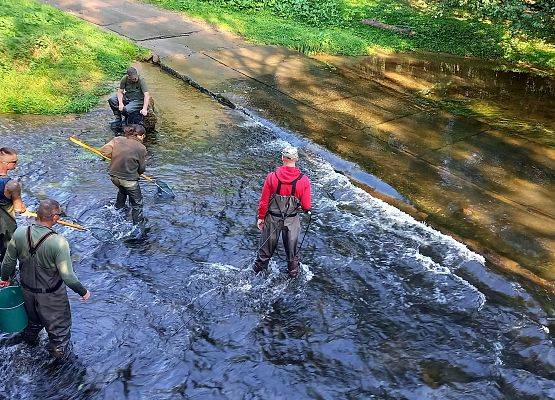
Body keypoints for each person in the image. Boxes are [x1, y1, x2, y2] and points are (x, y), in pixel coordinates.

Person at [0, 199, 91, 359]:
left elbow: (8, 262)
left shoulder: (20, 232)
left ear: (38, 214)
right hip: (51, 299)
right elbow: (68, 277)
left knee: (32, 325)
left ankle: (26, 352)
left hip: (27, 293)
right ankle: (57, 368)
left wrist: (5, 278)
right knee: (59, 335)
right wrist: (83, 292)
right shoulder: (58, 242)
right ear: (55, 218)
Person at [253, 146, 312, 278]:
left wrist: (261, 218)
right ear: (296, 159)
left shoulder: (271, 177)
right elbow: (307, 206)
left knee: (265, 252)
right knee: (292, 253)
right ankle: (292, 276)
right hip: (292, 220)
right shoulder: (304, 180)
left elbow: (263, 202)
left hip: (272, 220)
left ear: (282, 158)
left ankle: (255, 277)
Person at [100, 124, 147, 226]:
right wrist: (137, 173)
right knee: (137, 205)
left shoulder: (117, 139)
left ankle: (117, 209)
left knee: (122, 190)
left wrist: (113, 156)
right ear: (140, 135)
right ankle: (138, 227)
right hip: (129, 181)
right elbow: (142, 169)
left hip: (113, 177)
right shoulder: (142, 148)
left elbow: (104, 150)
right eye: (143, 136)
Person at [0, 147, 26, 262]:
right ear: (5, 163)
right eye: (14, 162)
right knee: (8, 253)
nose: (16, 164)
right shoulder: (12, 185)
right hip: (5, 225)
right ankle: (6, 278)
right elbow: (18, 209)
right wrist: (23, 207)